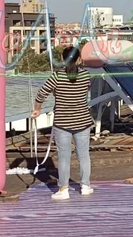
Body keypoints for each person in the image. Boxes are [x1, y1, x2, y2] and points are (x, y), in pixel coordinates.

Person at [33, 45, 94, 200]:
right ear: (79, 59)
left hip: (62, 122)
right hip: (83, 120)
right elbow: (86, 90)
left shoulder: (56, 76)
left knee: (64, 157)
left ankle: (63, 189)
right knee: (84, 156)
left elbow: (41, 94)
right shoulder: (86, 75)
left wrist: (37, 109)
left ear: (62, 59)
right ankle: (85, 185)